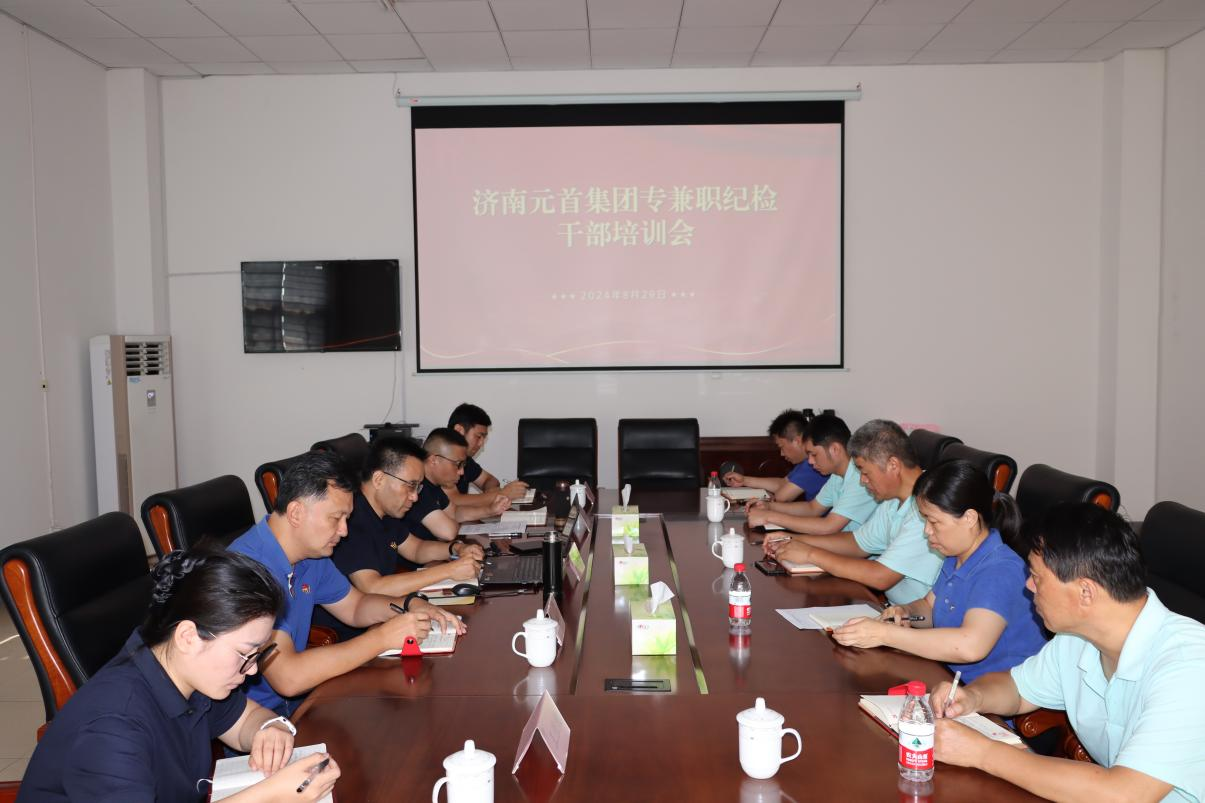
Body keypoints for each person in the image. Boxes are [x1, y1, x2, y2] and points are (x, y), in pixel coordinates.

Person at [930, 503, 1205, 802]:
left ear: (1086, 592)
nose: (1028, 585)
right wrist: (973, 697)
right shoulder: (1077, 637)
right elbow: (1017, 689)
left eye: (1037, 577)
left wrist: (982, 753)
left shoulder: (1189, 666)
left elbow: (1124, 795)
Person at [20, 549, 341, 802]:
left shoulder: (184, 671)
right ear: (188, 637)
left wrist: (270, 728)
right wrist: (270, 796)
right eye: (246, 654)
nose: (254, 669)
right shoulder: (114, 729)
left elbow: (245, 719)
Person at [228, 450, 464, 717]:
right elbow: (289, 678)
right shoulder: (248, 568)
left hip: (304, 701)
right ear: (296, 513)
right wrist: (382, 638)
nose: (344, 531)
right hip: (257, 721)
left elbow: (355, 606)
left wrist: (409, 604)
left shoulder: (309, 554)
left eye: (347, 519)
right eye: (335, 518)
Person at [830, 460, 1046, 683]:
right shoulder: (956, 555)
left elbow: (970, 647)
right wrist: (906, 611)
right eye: (924, 520)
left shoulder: (1001, 570)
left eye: (933, 522)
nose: (927, 531)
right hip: (946, 676)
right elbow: (930, 607)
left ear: (970, 518)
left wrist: (885, 635)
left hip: (984, 692)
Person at [314, 435, 485, 642]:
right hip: (351, 636)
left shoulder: (385, 511)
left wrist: (456, 549)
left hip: (385, 619)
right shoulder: (351, 519)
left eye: (418, 487)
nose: (415, 496)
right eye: (410, 486)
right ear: (379, 479)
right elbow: (373, 587)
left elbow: (416, 549)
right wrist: (449, 570)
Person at [766, 419, 943, 605]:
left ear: (893, 465)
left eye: (865, 473)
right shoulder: (894, 498)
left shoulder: (928, 507)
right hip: (891, 608)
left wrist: (810, 554)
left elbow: (881, 577)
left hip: (915, 616)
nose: (862, 481)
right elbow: (857, 543)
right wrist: (793, 540)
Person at [746, 414, 878, 534]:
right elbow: (812, 508)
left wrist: (770, 516)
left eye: (814, 454)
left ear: (835, 449)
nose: (810, 461)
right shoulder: (837, 475)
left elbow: (828, 526)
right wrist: (769, 506)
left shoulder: (861, 478)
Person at [403, 427, 510, 542]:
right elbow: (448, 532)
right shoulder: (417, 489)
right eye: (457, 464)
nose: (461, 472)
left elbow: (455, 512)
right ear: (434, 460)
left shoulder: (434, 484)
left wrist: (491, 510)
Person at [722, 409, 826, 502]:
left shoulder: (813, 464)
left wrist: (768, 499)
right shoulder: (804, 462)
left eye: (781, 447)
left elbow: (782, 497)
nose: (781, 453)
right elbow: (782, 483)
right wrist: (744, 480)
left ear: (797, 441)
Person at [445, 403, 528, 504]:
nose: (481, 444)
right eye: (478, 436)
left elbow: (490, 480)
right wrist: (500, 494)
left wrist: (491, 493)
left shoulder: (465, 459)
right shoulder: (441, 459)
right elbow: (453, 501)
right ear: (459, 430)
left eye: (484, 438)